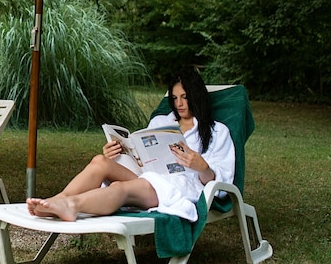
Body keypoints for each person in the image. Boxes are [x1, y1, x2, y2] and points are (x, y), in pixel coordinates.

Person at [26, 67, 235, 222]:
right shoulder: (161, 122)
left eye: (184, 97)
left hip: (176, 187)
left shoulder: (218, 132)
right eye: (174, 98)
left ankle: (73, 205)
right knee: (100, 161)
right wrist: (116, 154)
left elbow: (221, 185)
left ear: (196, 96)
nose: (179, 104)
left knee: (120, 188)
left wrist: (202, 167)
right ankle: (58, 199)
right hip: (147, 175)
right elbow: (144, 156)